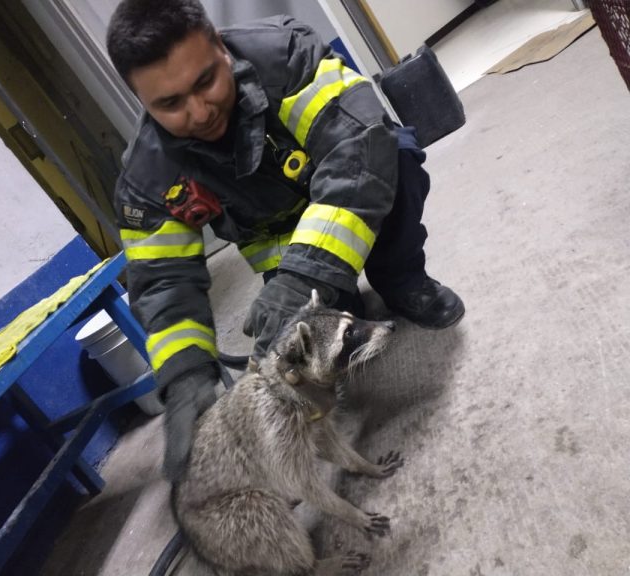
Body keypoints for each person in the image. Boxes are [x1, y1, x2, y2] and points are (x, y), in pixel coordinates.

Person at [105, 0, 464, 480]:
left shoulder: (286, 58)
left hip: (347, 206)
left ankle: (400, 279)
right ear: (142, 102)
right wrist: (186, 373)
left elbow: (357, 151)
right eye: (169, 104)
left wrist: (301, 279)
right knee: (317, 344)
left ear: (220, 46)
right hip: (281, 250)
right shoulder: (146, 178)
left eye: (205, 80)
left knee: (393, 156)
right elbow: (164, 282)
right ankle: (340, 301)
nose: (198, 111)